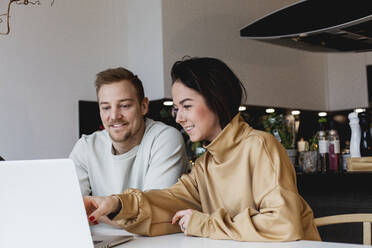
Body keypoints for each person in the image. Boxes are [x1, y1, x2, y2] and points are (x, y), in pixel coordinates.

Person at [83, 58, 321, 241]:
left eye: (186, 106)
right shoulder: (206, 163)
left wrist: (205, 224)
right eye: (177, 108)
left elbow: (282, 223)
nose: (179, 118)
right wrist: (117, 204)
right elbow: (167, 200)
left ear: (216, 101)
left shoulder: (260, 146)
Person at [69, 67, 188, 197]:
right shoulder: (86, 146)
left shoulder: (165, 138)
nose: (114, 116)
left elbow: (154, 208)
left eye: (124, 105)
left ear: (144, 106)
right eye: (106, 107)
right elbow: (69, 205)